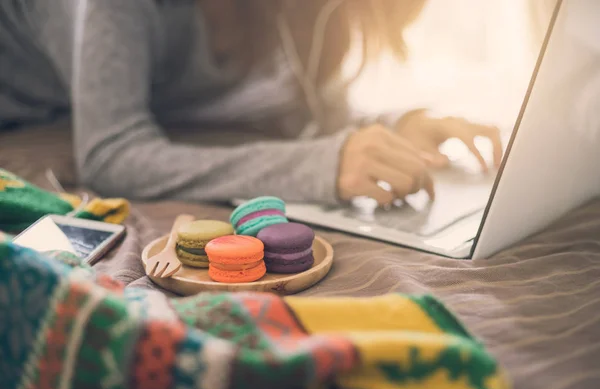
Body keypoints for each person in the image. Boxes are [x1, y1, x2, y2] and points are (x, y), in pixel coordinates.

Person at [0, 0, 502, 207]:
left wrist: (396, 128)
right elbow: (112, 155)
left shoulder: (292, 14)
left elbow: (309, 121)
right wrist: (318, 167)